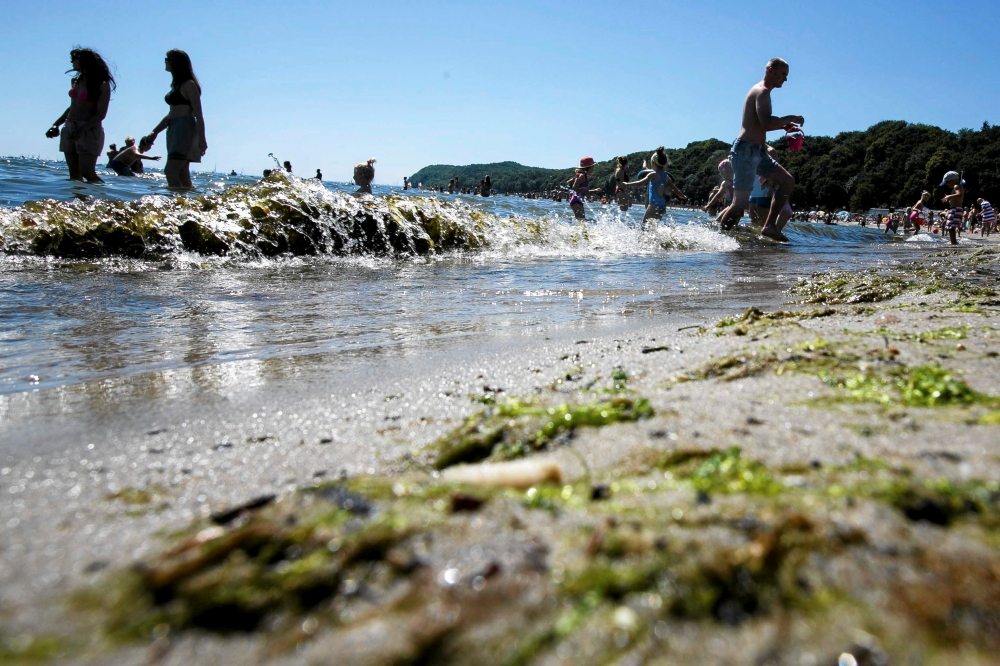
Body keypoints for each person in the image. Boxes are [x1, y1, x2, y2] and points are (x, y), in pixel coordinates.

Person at [716, 58, 804, 242]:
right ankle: (719, 239)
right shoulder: (762, 91)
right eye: (783, 74)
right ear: (770, 70)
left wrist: (783, 125)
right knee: (739, 204)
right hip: (745, 151)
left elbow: (762, 124)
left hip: (758, 151)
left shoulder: (763, 92)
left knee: (787, 181)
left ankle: (770, 226)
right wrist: (791, 118)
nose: (785, 79)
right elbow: (766, 122)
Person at [46, 48, 115, 183]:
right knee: (74, 173)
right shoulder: (76, 81)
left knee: (87, 172)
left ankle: (104, 200)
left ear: (85, 61)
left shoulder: (101, 84)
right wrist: (56, 125)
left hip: (88, 129)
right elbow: (72, 106)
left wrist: (81, 129)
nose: (72, 62)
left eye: (74, 59)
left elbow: (100, 114)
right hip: (70, 127)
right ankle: (78, 201)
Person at [142, 49, 207, 189]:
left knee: (171, 171)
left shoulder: (189, 85)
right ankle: (189, 204)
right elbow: (172, 113)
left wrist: (202, 139)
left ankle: (175, 203)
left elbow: (198, 114)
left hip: (185, 129)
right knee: (182, 172)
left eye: (167, 59)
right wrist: (155, 132)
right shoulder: (176, 86)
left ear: (175, 63)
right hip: (173, 127)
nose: (165, 62)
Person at [619, 147, 687, 228]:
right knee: (654, 227)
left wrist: (627, 184)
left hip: (654, 205)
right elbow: (675, 189)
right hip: (662, 206)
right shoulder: (666, 177)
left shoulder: (653, 174)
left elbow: (640, 183)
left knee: (644, 227)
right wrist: (682, 196)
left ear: (653, 163)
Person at [940, 171, 965, 245]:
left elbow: (959, 194)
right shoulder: (958, 185)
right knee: (951, 226)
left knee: (950, 227)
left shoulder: (956, 186)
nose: (947, 184)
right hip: (956, 209)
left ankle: (953, 242)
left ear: (953, 180)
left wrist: (949, 196)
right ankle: (953, 241)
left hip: (955, 209)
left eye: (948, 182)